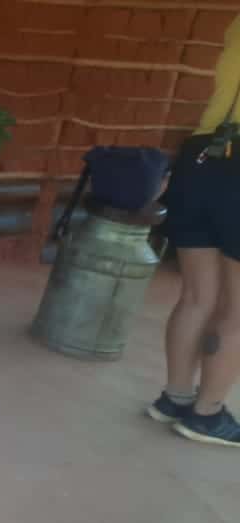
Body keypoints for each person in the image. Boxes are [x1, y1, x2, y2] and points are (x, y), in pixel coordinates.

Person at [149, 13, 240, 448]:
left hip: (202, 157)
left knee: (196, 296)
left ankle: (175, 397)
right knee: (238, 311)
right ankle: (207, 415)